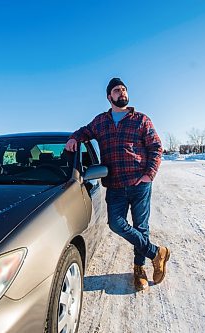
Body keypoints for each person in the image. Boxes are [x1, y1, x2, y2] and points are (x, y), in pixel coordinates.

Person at [65, 77, 170, 291]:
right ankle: (156, 252)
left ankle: (139, 269)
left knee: (141, 227)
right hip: (114, 185)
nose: (121, 92)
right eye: (116, 90)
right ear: (109, 96)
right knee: (116, 224)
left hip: (140, 183)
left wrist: (149, 174)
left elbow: (156, 147)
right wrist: (75, 137)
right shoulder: (101, 122)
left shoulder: (141, 119)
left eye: (123, 89)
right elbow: (84, 131)